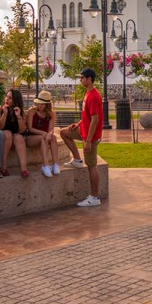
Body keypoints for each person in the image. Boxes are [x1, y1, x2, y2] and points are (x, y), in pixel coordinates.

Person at [60, 68, 103, 207]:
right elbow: (87, 115)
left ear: (89, 79)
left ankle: (94, 197)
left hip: (90, 135)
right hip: (82, 129)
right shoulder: (87, 93)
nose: (81, 80)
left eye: (82, 78)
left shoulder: (94, 96)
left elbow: (95, 120)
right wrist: (77, 124)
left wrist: (88, 141)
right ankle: (77, 159)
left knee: (92, 166)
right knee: (64, 132)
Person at [25, 90, 60, 178]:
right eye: (39, 103)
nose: (40, 106)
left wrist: (49, 134)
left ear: (47, 104)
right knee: (43, 138)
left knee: (54, 137)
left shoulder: (52, 113)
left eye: (43, 104)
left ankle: (56, 164)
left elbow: (51, 129)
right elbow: (30, 128)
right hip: (31, 137)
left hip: (44, 136)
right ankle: (45, 165)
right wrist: (44, 133)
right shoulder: (32, 111)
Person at [0, 88, 29, 178]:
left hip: (15, 138)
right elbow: (0, 127)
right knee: (7, 133)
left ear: (15, 100)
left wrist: (18, 116)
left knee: (19, 137)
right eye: (6, 96)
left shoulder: (22, 113)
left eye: (10, 98)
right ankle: (4, 167)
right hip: (3, 137)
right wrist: (5, 114)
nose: (6, 99)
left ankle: (24, 169)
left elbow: (22, 130)